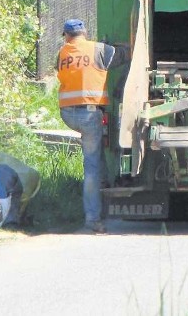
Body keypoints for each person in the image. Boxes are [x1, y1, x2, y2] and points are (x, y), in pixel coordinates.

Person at [56, 19, 130, 234]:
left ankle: (106, 185)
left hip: (68, 113)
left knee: (95, 155)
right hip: (89, 113)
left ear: (67, 36)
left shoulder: (62, 53)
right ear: (85, 33)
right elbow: (124, 55)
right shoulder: (99, 50)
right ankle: (92, 218)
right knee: (91, 168)